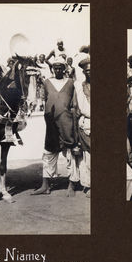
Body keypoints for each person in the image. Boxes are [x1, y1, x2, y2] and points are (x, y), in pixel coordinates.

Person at [33, 58, 78, 195]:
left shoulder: (70, 83)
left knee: (70, 152)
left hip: (67, 122)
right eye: (55, 68)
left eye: (60, 67)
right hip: (51, 122)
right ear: (52, 69)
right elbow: (44, 99)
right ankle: (45, 185)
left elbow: (74, 104)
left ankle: (72, 184)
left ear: (64, 69)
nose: (57, 70)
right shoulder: (47, 83)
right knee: (49, 151)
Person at [72, 55, 91, 197]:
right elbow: (76, 108)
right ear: (84, 72)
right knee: (89, 157)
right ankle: (90, 185)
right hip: (86, 124)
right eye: (87, 71)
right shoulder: (79, 87)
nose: (90, 72)